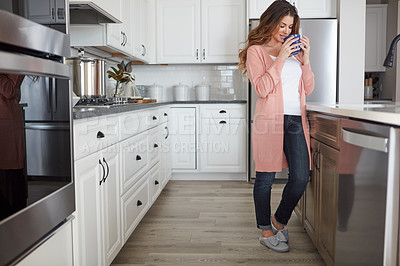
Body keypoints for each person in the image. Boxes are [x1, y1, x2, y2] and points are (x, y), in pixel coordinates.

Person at [238, 0, 314, 252]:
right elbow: (262, 88)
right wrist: (280, 58)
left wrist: (306, 60)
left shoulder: (294, 52)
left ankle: (279, 221)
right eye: (282, 25)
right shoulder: (256, 51)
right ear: (270, 21)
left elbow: (309, 88)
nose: (285, 30)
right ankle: (265, 230)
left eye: (290, 26)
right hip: (269, 121)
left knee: (301, 177)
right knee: (265, 179)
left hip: (295, 120)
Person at [0, 73, 26, 220]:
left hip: (6, 122)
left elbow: (9, 90)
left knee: (13, 172)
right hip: (4, 120)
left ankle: (18, 218)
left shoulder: (15, 56)